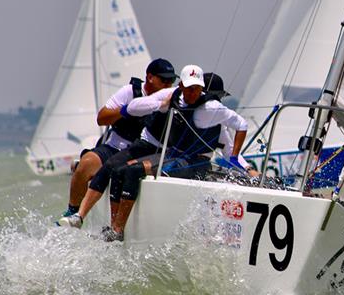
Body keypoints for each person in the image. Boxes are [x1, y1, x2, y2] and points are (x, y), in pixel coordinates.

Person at [59, 65, 248, 241]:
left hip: (192, 162)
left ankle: (117, 230)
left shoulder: (212, 109)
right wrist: (160, 105)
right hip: (172, 156)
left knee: (131, 171)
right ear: (181, 85)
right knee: (116, 170)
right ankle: (96, 222)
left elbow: (241, 125)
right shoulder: (171, 95)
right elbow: (133, 107)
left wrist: (238, 161)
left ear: (202, 89)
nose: (193, 93)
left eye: (197, 88)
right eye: (189, 88)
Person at [59, 58, 176, 220]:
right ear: (150, 77)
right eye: (164, 80)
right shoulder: (129, 92)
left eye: (172, 81)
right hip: (116, 147)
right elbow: (102, 118)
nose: (168, 85)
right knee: (85, 164)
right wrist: (126, 111)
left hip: (143, 152)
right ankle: (73, 212)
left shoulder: (171, 97)